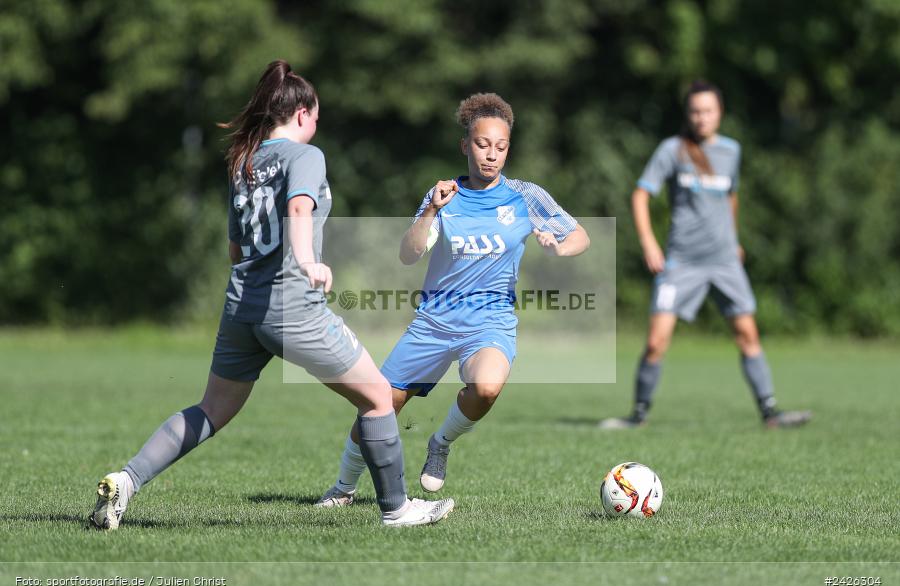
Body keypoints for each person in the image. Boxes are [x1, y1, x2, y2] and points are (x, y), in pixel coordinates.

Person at [89, 60, 454, 529]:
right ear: (301, 114)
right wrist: (307, 261)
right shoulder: (306, 156)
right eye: (317, 116)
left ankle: (125, 480)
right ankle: (398, 510)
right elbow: (299, 208)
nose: (317, 124)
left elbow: (235, 247)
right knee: (379, 397)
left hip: (242, 305)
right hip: (291, 305)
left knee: (211, 410)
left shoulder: (244, 161)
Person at [316, 93, 590, 507]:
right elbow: (408, 255)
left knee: (488, 386)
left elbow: (579, 236)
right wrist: (429, 211)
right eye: (482, 145)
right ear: (466, 145)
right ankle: (344, 487)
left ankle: (440, 443)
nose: (491, 155)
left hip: (490, 322)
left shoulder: (524, 196)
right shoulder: (444, 194)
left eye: (500, 147)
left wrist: (557, 249)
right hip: (434, 322)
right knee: (380, 404)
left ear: (508, 149)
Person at [599, 80, 812, 430]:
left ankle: (770, 413)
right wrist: (650, 243)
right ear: (688, 114)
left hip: (725, 260)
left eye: (708, 111)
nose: (701, 117)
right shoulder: (672, 150)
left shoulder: (732, 151)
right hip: (681, 261)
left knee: (748, 335)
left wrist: (735, 238)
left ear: (720, 113)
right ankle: (637, 415)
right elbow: (641, 195)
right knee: (656, 341)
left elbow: (731, 196)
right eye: (695, 111)